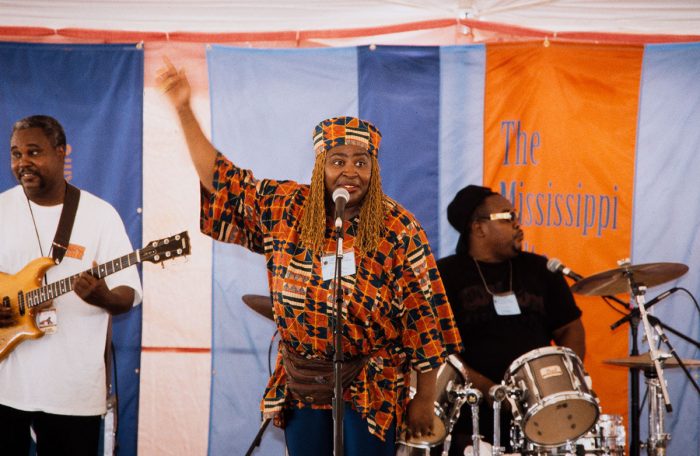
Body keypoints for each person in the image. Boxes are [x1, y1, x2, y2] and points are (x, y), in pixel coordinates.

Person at [156, 59, 462, 455]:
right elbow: (223, 181)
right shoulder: (286, 207)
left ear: (374, 168)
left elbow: (425, 320)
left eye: (360, 162)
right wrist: (183, 109)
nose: (350, 171)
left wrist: (422, 399)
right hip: (302, 379)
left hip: (372, 383)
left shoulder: (399, 229)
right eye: (338, 161)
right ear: (320, 167)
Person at [0, 115, 143, 455]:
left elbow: (127, 294)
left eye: (33, 152)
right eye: (16, 154)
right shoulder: (3, 207)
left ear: (61, 152)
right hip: (6, 388)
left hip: (73, 391)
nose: (23, 163)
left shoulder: (100, 215)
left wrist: (103, 296)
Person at [436, 185, 585, 455]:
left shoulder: (541, 269)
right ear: (479, 228)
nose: (518, 224)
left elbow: (570, 328)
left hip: (540, 410)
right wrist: (490, 390)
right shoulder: (445, 275)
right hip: (474, 413)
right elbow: (441, 351)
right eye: (508, 216)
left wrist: (565, 381)